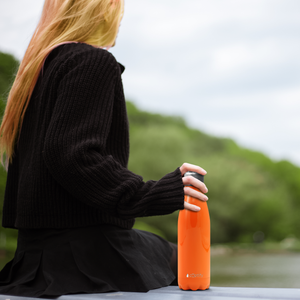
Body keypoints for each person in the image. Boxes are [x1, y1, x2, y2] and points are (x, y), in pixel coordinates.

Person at [0, 0, 208, 298]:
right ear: (100, 10)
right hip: (83, 257)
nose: (121, 18)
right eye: (117, 7)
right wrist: (153, 194)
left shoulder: (35, 72)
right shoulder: (92, 61)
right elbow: (72, 154)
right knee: (187, 257)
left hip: (34, 257)